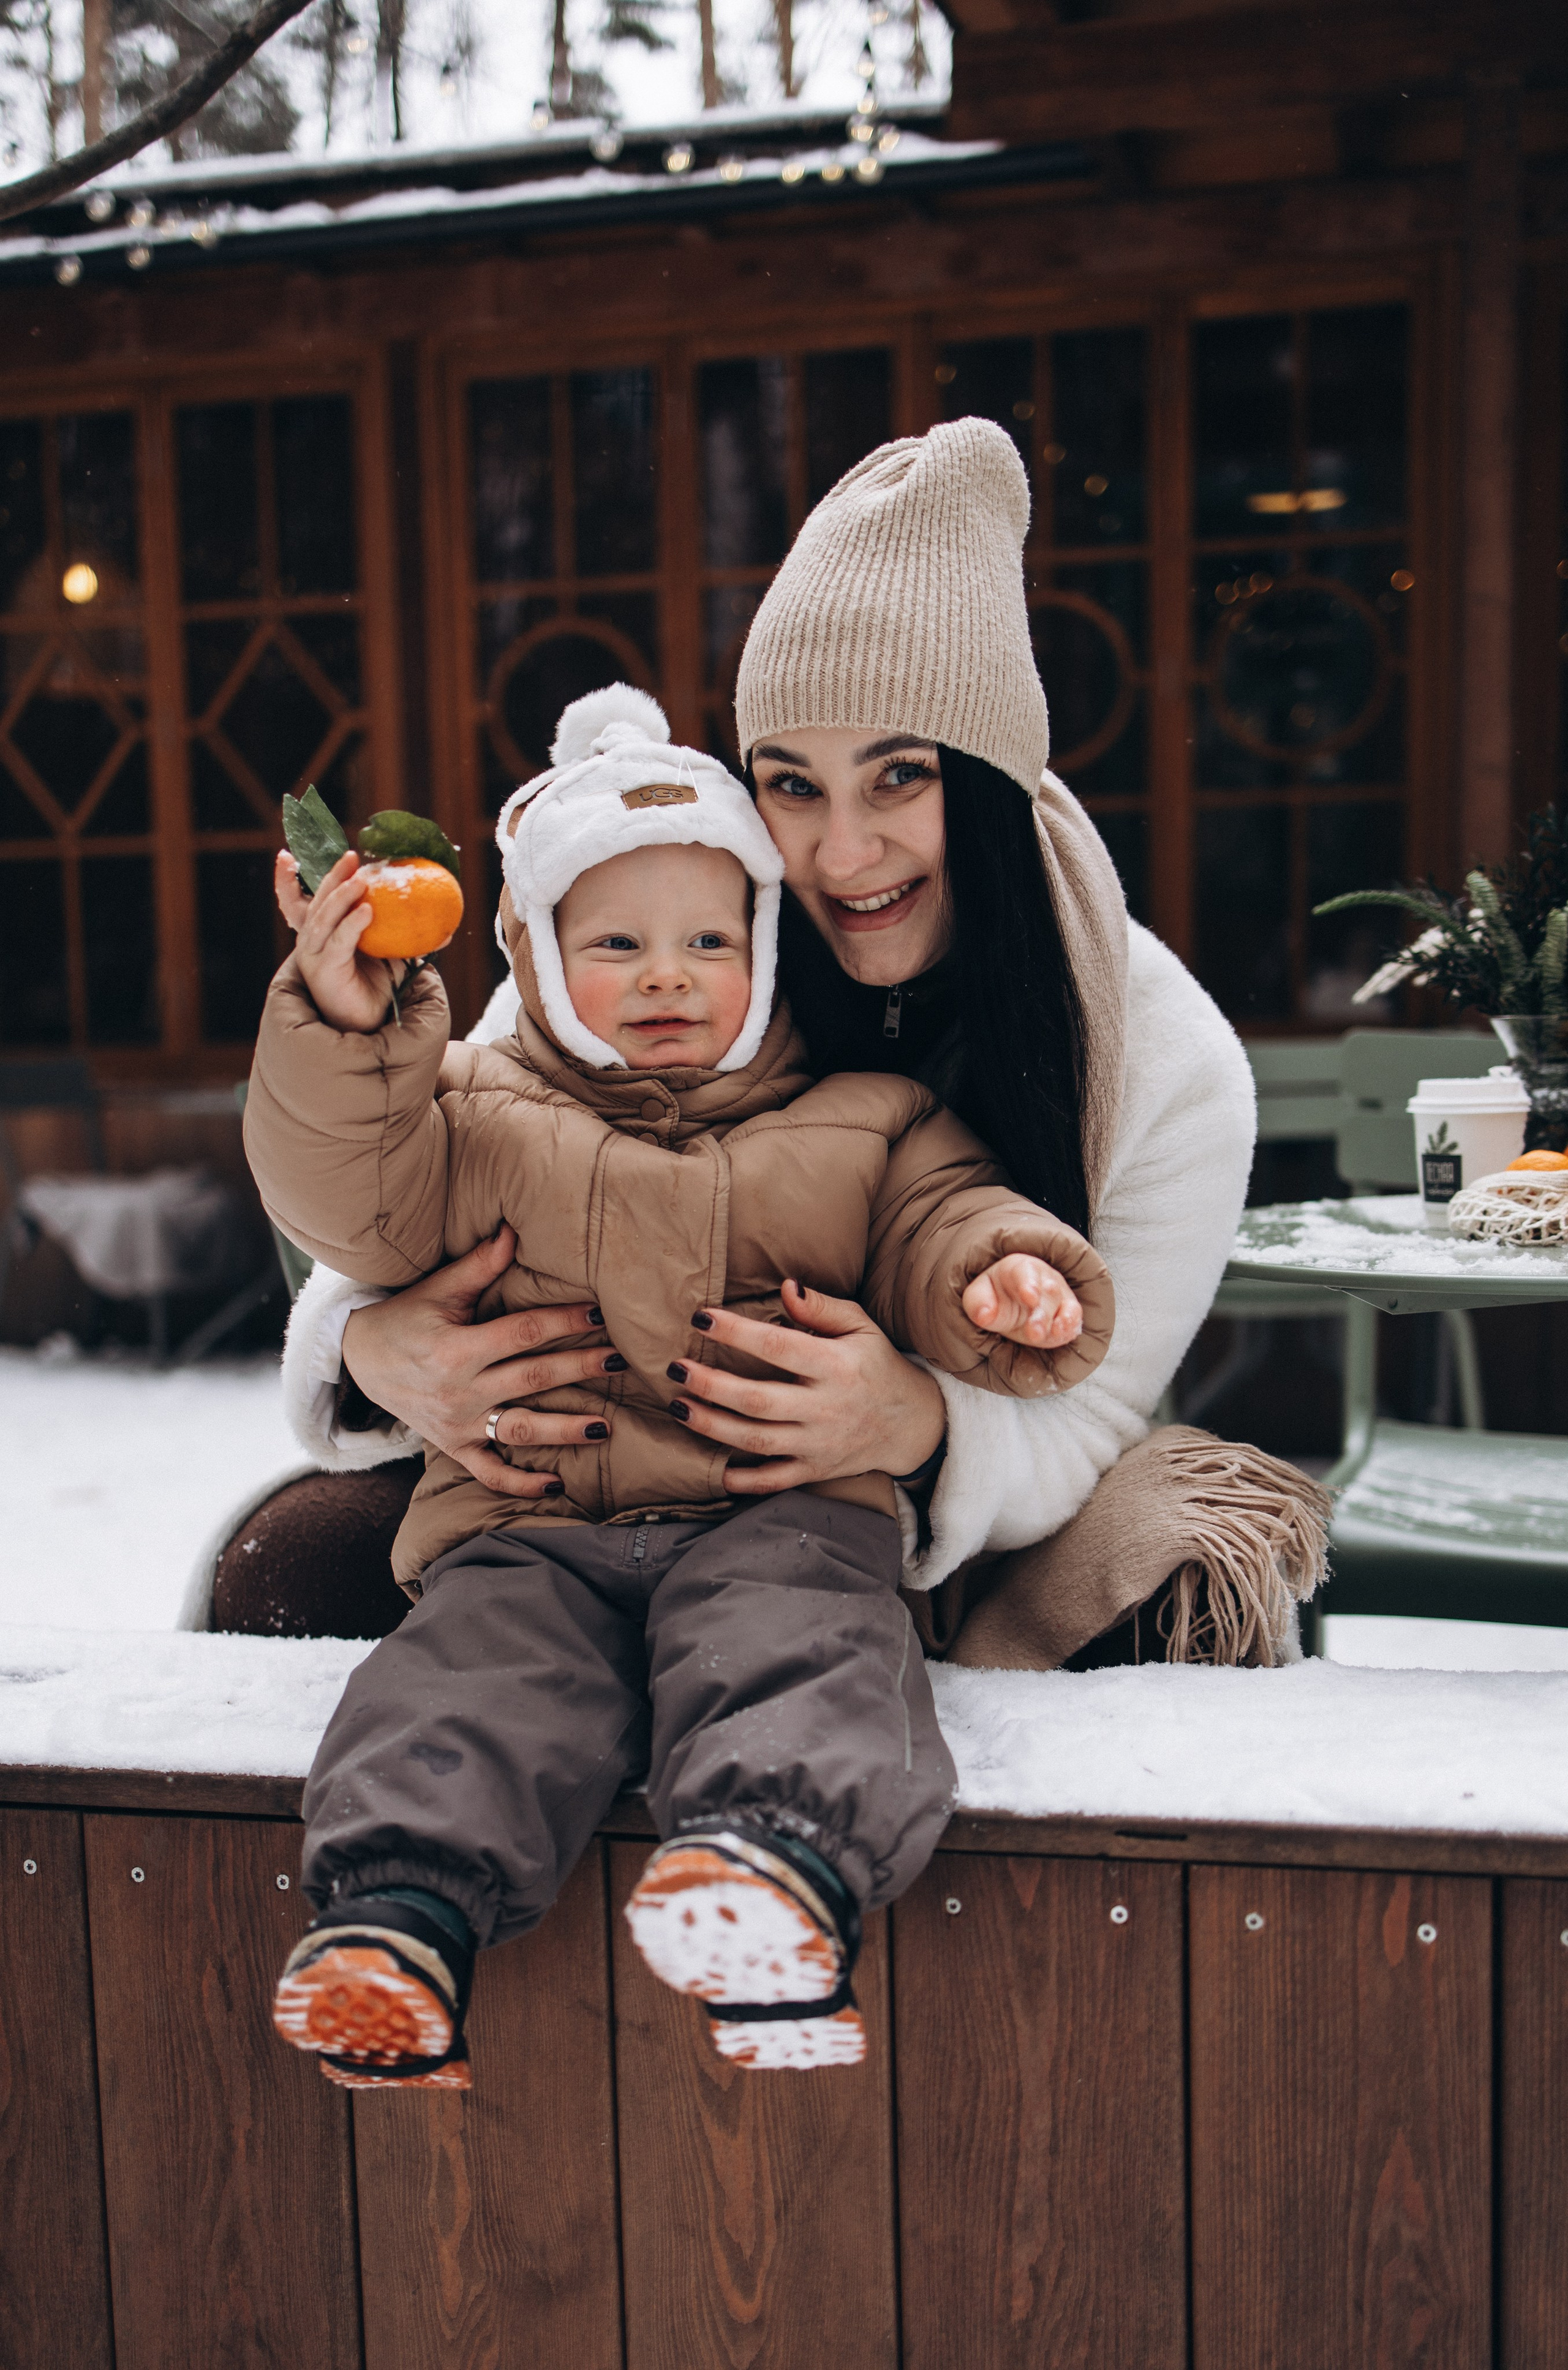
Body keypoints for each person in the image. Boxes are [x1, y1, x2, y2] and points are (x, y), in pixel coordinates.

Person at [226, 413, 1321, 1683]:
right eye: (791, 784)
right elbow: (447, 1150)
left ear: (984, 778)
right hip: (594, 1479)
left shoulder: (1167, 1057)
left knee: (1155, 1617)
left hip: (946, 1512)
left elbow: (1083, 1416)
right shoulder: (687, 933)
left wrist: (913, 1421)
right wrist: (375, 1352)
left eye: (897, 777)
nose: (840, 855)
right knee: (285, 1568)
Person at [247, 684, 1114, 2088]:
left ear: (768, 951)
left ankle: (769, 1879)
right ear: (529, 953)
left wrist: (995, 1276)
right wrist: (351, 1033)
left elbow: (937, 1217)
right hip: (527, 1527)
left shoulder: (861, 1120)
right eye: (615, 943)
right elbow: (348, 1203)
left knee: (803, 1645)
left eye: (710, 939)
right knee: (467, 1679)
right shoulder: (467, 1116)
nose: (667, 975)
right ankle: (394, 1928)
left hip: (777, 1511)